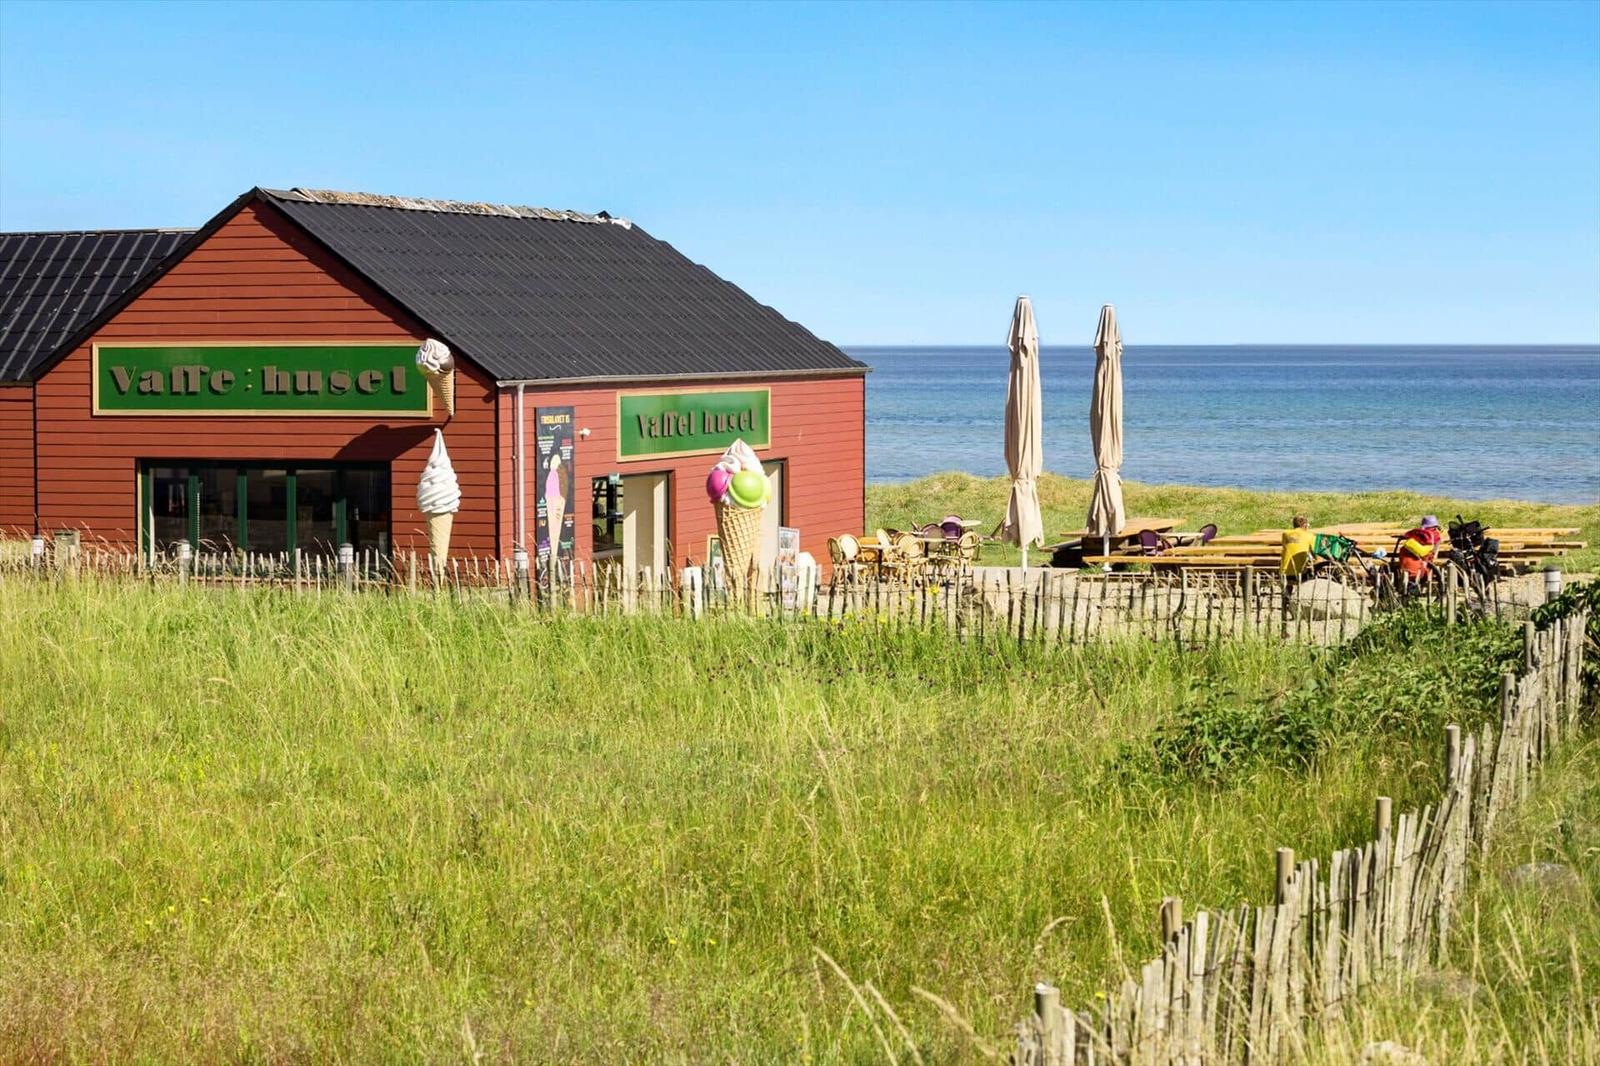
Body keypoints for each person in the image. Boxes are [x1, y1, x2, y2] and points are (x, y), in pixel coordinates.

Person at [1395, 515, 1443, 583]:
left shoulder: (1415, 533)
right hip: (1421, 569)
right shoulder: (1436, 536)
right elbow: (1434, 555)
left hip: (1406, 567)